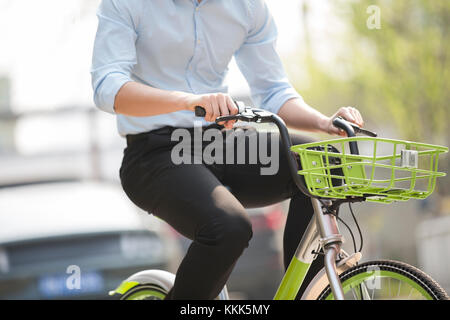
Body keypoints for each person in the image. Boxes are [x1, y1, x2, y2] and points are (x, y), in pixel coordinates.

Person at [91, 0, 364, 300]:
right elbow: (108, 87)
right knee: (229, 227)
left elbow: (273, 91)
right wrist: (185, 101)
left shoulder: (246, 7)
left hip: (222, 144)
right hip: (155, 154)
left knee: (323, 164)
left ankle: (306, 295)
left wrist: (324, 122)